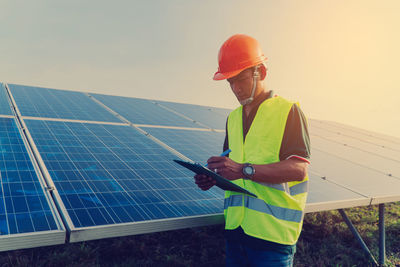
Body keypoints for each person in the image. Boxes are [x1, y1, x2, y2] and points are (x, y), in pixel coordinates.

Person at [194, 34, 310, 267]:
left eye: (241, 79)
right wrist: (213, 178)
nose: (235, 88)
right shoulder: (233, 118)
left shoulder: (288, 111)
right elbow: (232, 169)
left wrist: (243, 169)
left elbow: (299, 170)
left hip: (272, 239)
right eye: (230, 82)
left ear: (261, 72)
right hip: (236, 232)